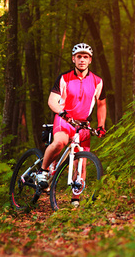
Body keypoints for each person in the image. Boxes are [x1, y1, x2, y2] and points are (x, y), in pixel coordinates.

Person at [37, 43, 106, 207]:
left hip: (83, 125)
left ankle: (75, 201)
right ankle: (43, 170)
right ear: (73, 59)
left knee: (81, 162)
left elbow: (101, 104)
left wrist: (101, 125)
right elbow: (52, 100)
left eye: (86, 57)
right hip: (64, 119)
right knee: (60, 142)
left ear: (90, 60)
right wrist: (61, 113)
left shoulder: (97, 81)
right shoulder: (64, 78)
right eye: (79, 56)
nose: (82, 60)